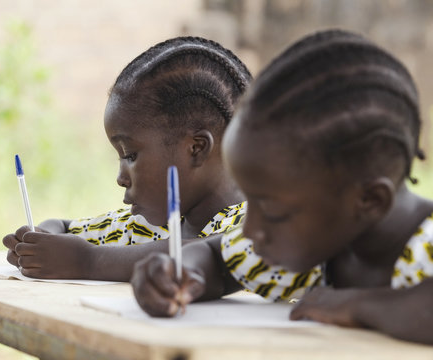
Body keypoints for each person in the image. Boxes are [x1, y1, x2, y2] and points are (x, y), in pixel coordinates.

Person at [130, 29, 433, 345]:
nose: (250, 230)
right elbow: (216, 259)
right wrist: (178, 276)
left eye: (271, 210)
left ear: (369, 200)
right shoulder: (321, 245)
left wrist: (353, 306)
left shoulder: (426, 242)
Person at [2, 36, 252, 281]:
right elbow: (65, 227)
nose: (121, 178)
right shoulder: (144, 229)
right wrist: (40, 240)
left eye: (130, 156)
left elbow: (204, 253)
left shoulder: (255, 225)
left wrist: (87, 261)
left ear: (196, 149)